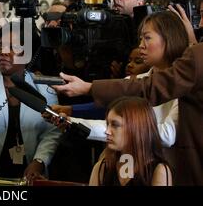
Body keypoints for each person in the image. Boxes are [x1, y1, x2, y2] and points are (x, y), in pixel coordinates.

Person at [53, 42, 203, 185]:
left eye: (148, 37)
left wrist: (87, 90)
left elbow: (167, 133)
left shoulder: (160, 170)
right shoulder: (104, 167)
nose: (108, 131)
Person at [54, 11, 186, 151]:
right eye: (140, 38)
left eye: (147, 38)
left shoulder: (183, 85)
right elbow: (115, 125)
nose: (141, 45)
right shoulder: (132, 81)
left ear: (169, 39)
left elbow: (167, 135)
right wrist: (72, 122)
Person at [0, 21, 61, 184]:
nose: (3, 52)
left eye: (12, 47)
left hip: (27, 177)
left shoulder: (44, 88)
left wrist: (39, 161)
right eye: (0, 45)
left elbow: (52, 132)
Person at [89, 96, 172, 186]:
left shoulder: (159, 170)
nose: (107, 131)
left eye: (115, 125)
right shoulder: (102, 168)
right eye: (108, 124)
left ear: (137, 128)